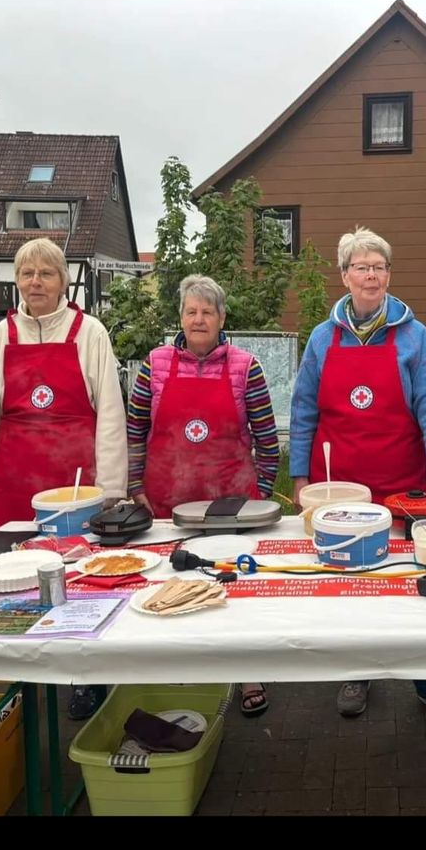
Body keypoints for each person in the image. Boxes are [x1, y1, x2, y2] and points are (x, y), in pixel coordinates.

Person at [290, 226, 426, 728]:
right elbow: (303, 410)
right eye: (361, 266)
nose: (371, 275)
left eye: (380, 266)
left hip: (404, 486)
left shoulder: (412, 336)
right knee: (352, 582)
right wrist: (300, 475)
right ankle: (356, 671)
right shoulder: (324, 339)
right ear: (344, 276)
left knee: (419, 583)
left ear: (389, 274)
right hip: (341, 489)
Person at [0, 237, 128, 721]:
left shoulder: (90, 332)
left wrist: (113, 486)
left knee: (82, 582)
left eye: (46, 274)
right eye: (26, 274)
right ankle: (17, 680)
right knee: (11, 580)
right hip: (16, 476)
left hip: (76, 478)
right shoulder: (3, 335)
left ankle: (87, 678)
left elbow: (109, 412)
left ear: (64, 282)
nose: (35, 282)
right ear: (16, 281)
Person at [127, 273, 279, 716]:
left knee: (236, 585)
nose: (199, 319)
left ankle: (247, 671)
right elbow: (136, 431)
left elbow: (268, 439)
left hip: (232, 501)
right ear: (180, 316)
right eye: (191, 311)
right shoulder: (153, 365)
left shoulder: (245, 367)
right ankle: (178, 672)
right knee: (168, 586)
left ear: (221, 318)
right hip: (166, 501)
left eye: (207, 312)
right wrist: (135, 486)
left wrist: (262, 495)